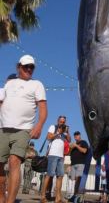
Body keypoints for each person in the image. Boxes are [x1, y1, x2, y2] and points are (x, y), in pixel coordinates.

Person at [0, 54, 47, 203]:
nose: (29, 69)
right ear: (18, 67)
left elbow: (43, 108)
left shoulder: (37, 84)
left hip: (23, 129)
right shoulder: (9, 84)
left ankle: (10, 201)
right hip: (3, 128)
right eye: (26, 66)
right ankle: (2, 197)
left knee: (14, 161)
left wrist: (39, 125)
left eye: (31, 67)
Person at [41, 116, 69, 203]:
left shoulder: (64, 132)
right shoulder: (53, 127)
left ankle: (58, 198)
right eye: (61, 121)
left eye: (63, 122)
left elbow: (69, 140)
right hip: (53, 154)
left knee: (60, 176)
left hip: (61, 156)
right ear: (58, 121)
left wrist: (67, 132)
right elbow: (48, 137)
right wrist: (58, 133)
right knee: (49, 175)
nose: (62, 123)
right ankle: (43, 196)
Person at [69, 131, 88, 202]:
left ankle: (79, 197)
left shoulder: (83, 142)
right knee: (73, 181)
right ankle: (74, 196)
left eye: (77, 135)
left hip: (80, 164)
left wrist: (76, 146)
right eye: (75, 135)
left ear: (80, 135)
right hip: (73, 164)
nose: (76, 136)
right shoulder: (73, 145)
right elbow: (70, 154)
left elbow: (85, 151)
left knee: (78, 180)